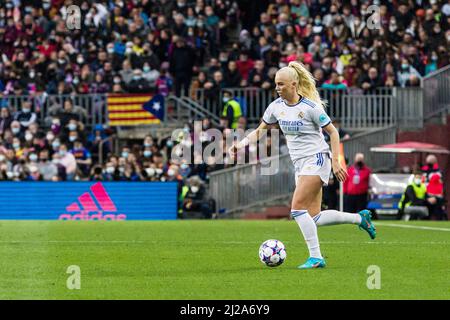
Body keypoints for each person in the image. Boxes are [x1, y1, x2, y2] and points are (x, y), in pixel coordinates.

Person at [229, 61, 376, 270]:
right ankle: (360, 219)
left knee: (297, 209)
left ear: (294, 84)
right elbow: (261, 130)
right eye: (276, 84)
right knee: (313, 217)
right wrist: (241, 144)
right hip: (300, 165)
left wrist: (335, 162)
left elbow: (333, 133)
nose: (278, 88)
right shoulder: (275, 107)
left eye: (281, 84)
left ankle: (316, 257)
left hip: (316, 159)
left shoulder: (310, 108)